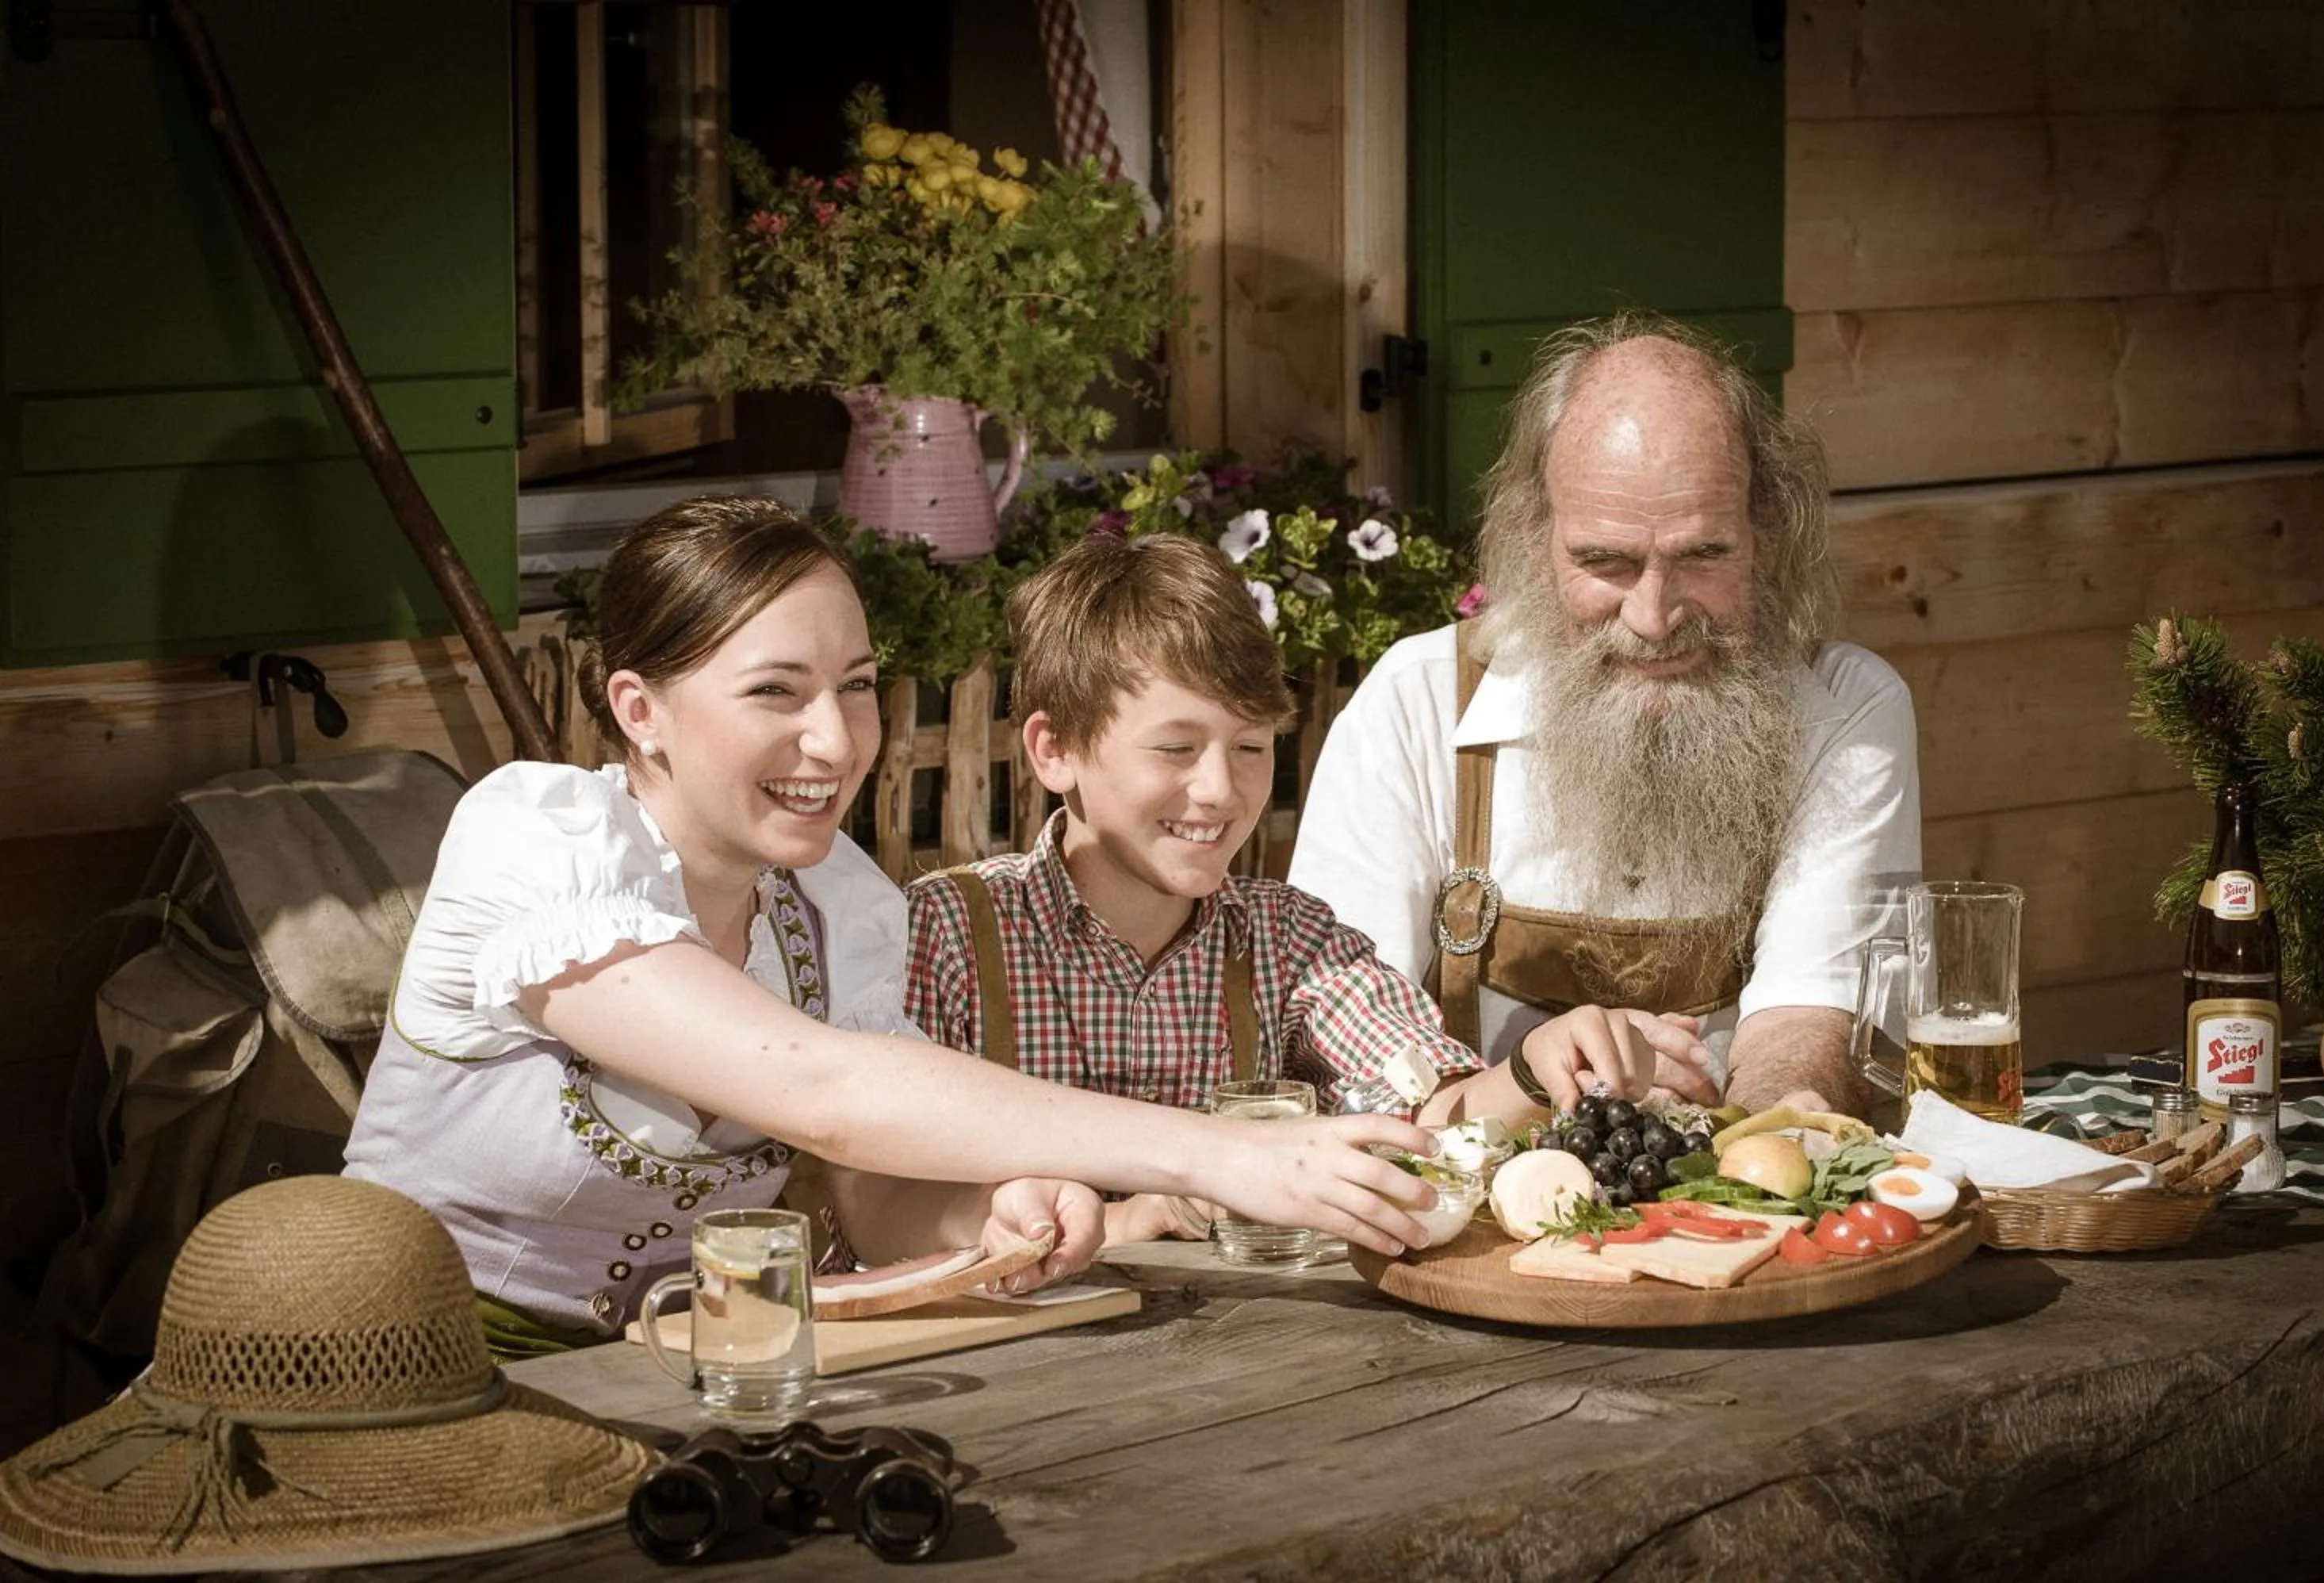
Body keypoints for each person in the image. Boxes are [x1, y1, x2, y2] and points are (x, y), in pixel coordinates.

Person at [345, 496, 1434, 1355]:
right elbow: (824, 1092)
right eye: (778, 692)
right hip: (405, 1363)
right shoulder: (535, 842)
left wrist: (995, 1214)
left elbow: (878, 1192)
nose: (835, 740)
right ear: (640, 710)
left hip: (692, 1362)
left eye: (856, 686)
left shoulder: (837, 906)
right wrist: (1223, 1160)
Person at [905, 534, 1661, 1245]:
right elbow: (877, 1195)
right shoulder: (949, 931)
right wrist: (1140, 1215)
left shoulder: (1291, 942)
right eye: (1175, 748)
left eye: (1250, 747)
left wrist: (1535, 1063)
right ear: (1055, 750)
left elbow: (1431, 1117)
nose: (1219, 790)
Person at [1287, 313, 1922, 1117]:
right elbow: (1338, 1028)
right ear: (1532, 538)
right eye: (1605, 562)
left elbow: (1810, 1015)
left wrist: (1760, 1157)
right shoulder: (1414, 704)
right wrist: (1535, 1087)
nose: (1654, 618)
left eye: (1703, 555)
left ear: (1768, 530)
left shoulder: (1844, 711)